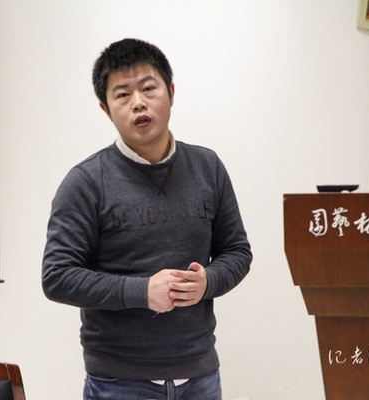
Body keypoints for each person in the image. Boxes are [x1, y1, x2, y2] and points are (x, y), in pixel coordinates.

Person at [42, 38, 252, 400]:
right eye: (122, 95)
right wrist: (141, 292)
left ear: (171, 92)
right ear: (105, 109)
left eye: (148, 88)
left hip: (200, 376)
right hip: (119, 382)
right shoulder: (86, 182)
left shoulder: (208, 167)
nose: (138, 102)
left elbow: (237, 251)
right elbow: (57, 276)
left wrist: (208, 281)